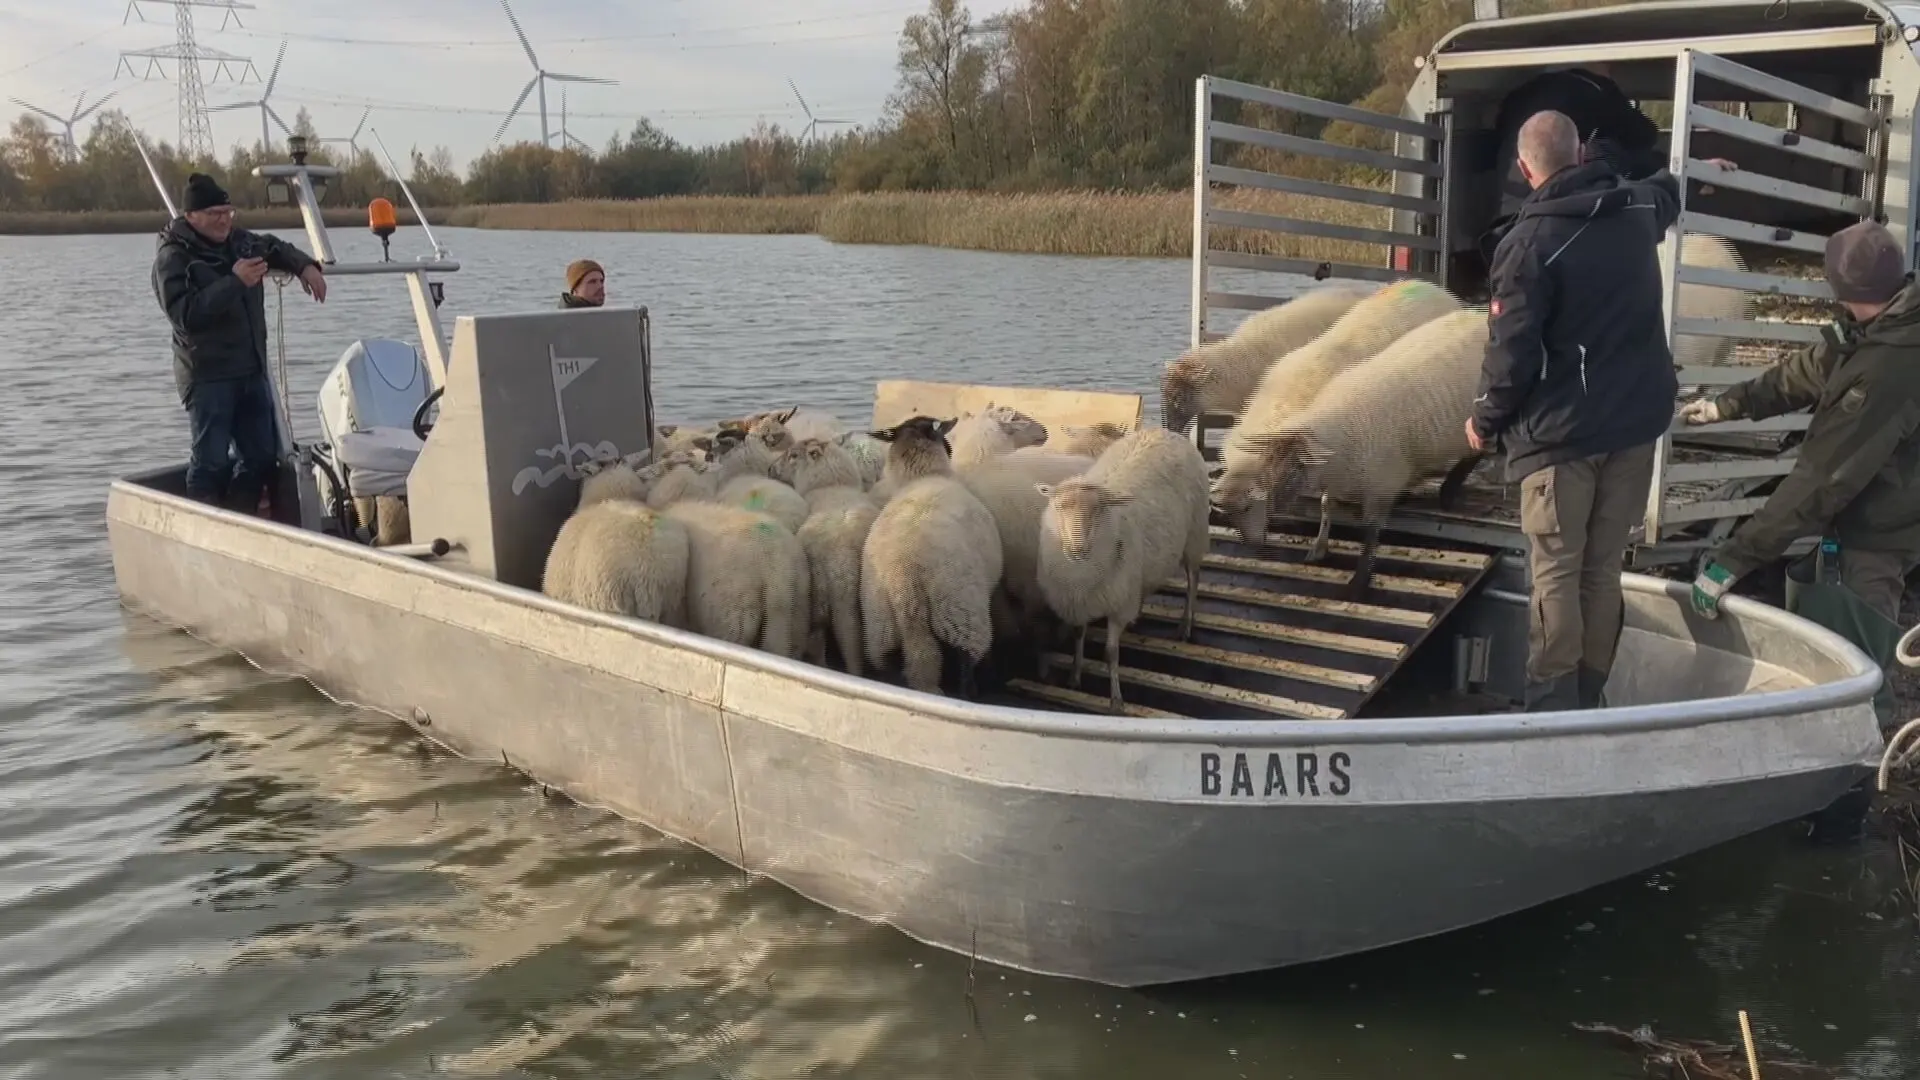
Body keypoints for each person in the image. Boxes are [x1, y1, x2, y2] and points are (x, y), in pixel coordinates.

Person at [1464, 110, 1682, 713]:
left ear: (1523, 166)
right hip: (1635, 427)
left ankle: (1552, 703)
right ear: (1582, 155)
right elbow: (1670, 189)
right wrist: (1618, 162)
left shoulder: (1527, 245)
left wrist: (1483, 422)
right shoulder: (1637, 209)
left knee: (1556, 570)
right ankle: (1590, 695)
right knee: (1601, 567)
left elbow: (1512, 354)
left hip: (1563, 437)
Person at [1685, 220, 1920, 735]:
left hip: (1881, 531)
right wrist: (1730, 404)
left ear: (1842, 287)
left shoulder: (1886, 368)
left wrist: (1733, 559)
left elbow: (1822, 479)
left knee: (1861, 664)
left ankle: (1852, 783)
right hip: (1873, 511)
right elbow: (1811, 370)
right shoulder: (1884, 325)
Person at [151, 172, 326, 515]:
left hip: (251, 370)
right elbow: (185, 314)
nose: (223, 220)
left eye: (228, 213)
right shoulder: (173, 258)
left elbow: (275, 246)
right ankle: (201, 524)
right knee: (211, 461)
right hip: (207, 376)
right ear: (191, 217)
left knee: (262, 455)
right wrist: (235, 282)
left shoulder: (241, 242)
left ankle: (239, 516)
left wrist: (305, 267)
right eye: (215, 213)